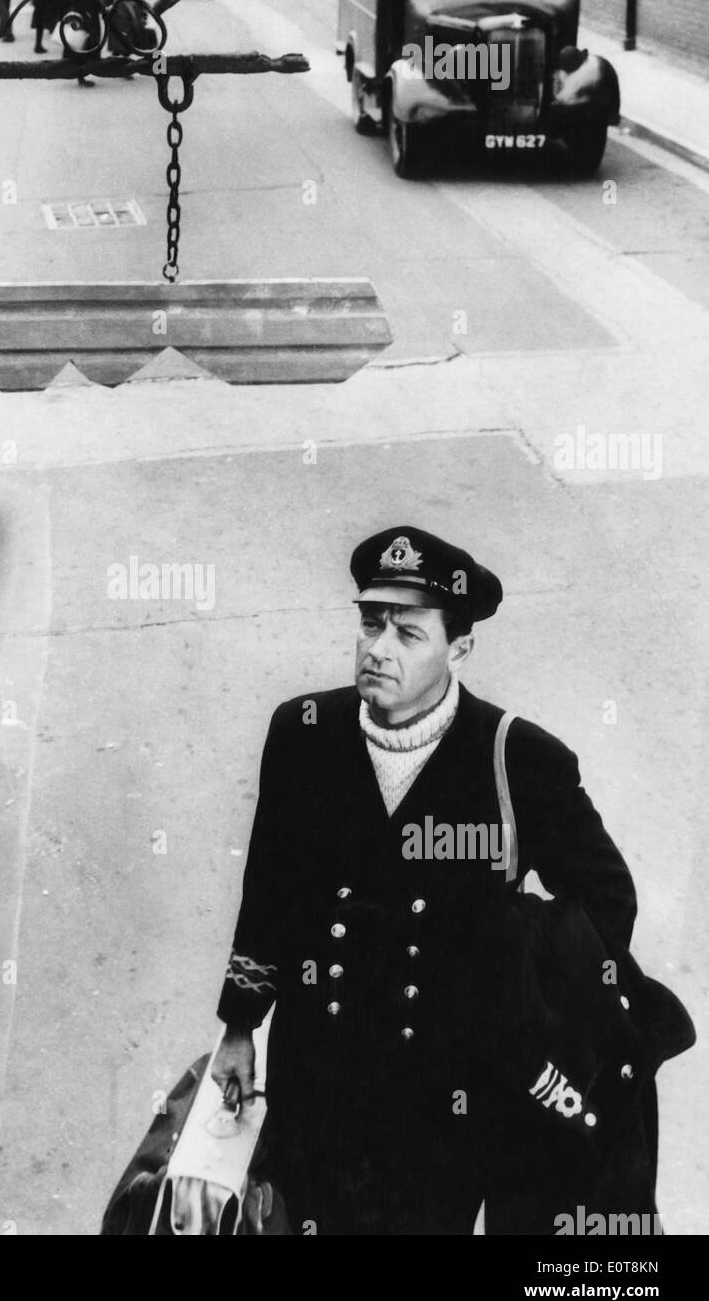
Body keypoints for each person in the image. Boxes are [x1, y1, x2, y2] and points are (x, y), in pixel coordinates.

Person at [210, 525, 694, 1234]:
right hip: (320, 1067)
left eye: (407, 633)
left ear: (458, 648)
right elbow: (270, 887)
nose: (377, 649)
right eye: (369, 623)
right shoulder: (303, 733)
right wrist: (238, 1026)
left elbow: (606, 902)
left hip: (448, 1088)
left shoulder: (519, 760)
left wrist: (517, 973)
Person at [64, 0, 101, 87]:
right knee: (81, 42)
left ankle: (86, 70)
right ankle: (80, 75)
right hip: (82, 12)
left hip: (92, 10)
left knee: (91, 42)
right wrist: (82, 11)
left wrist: (101, 7)